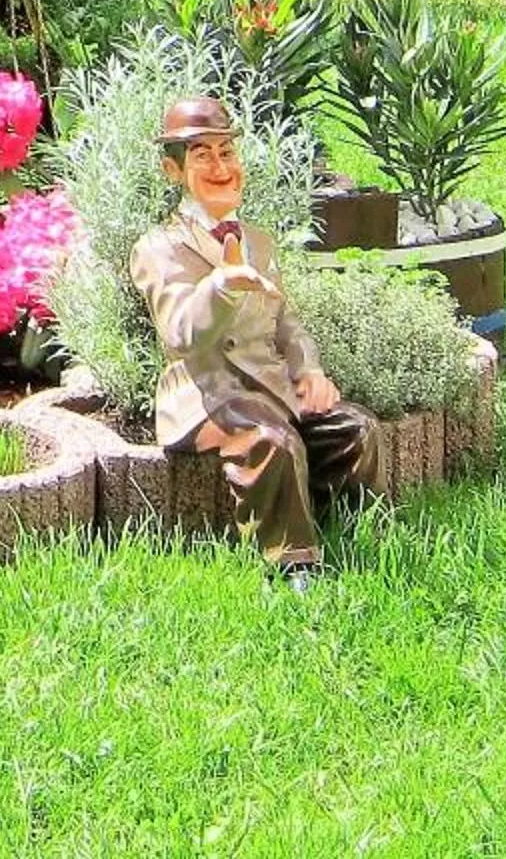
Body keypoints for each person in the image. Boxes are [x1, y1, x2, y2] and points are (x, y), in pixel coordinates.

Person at [129, 95, 384, 585]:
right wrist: (221, 286)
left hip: (269, 387)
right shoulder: (159, 248)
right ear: (172, 170)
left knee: (355, 430)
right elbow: (181, 335)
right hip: (206, 393)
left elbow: (286, 321)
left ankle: (352, 532)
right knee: (271, 440)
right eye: (202, 155)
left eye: (227, 152)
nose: (220, 166)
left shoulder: (258, 241)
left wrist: (308, 369)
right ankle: (292, 563)